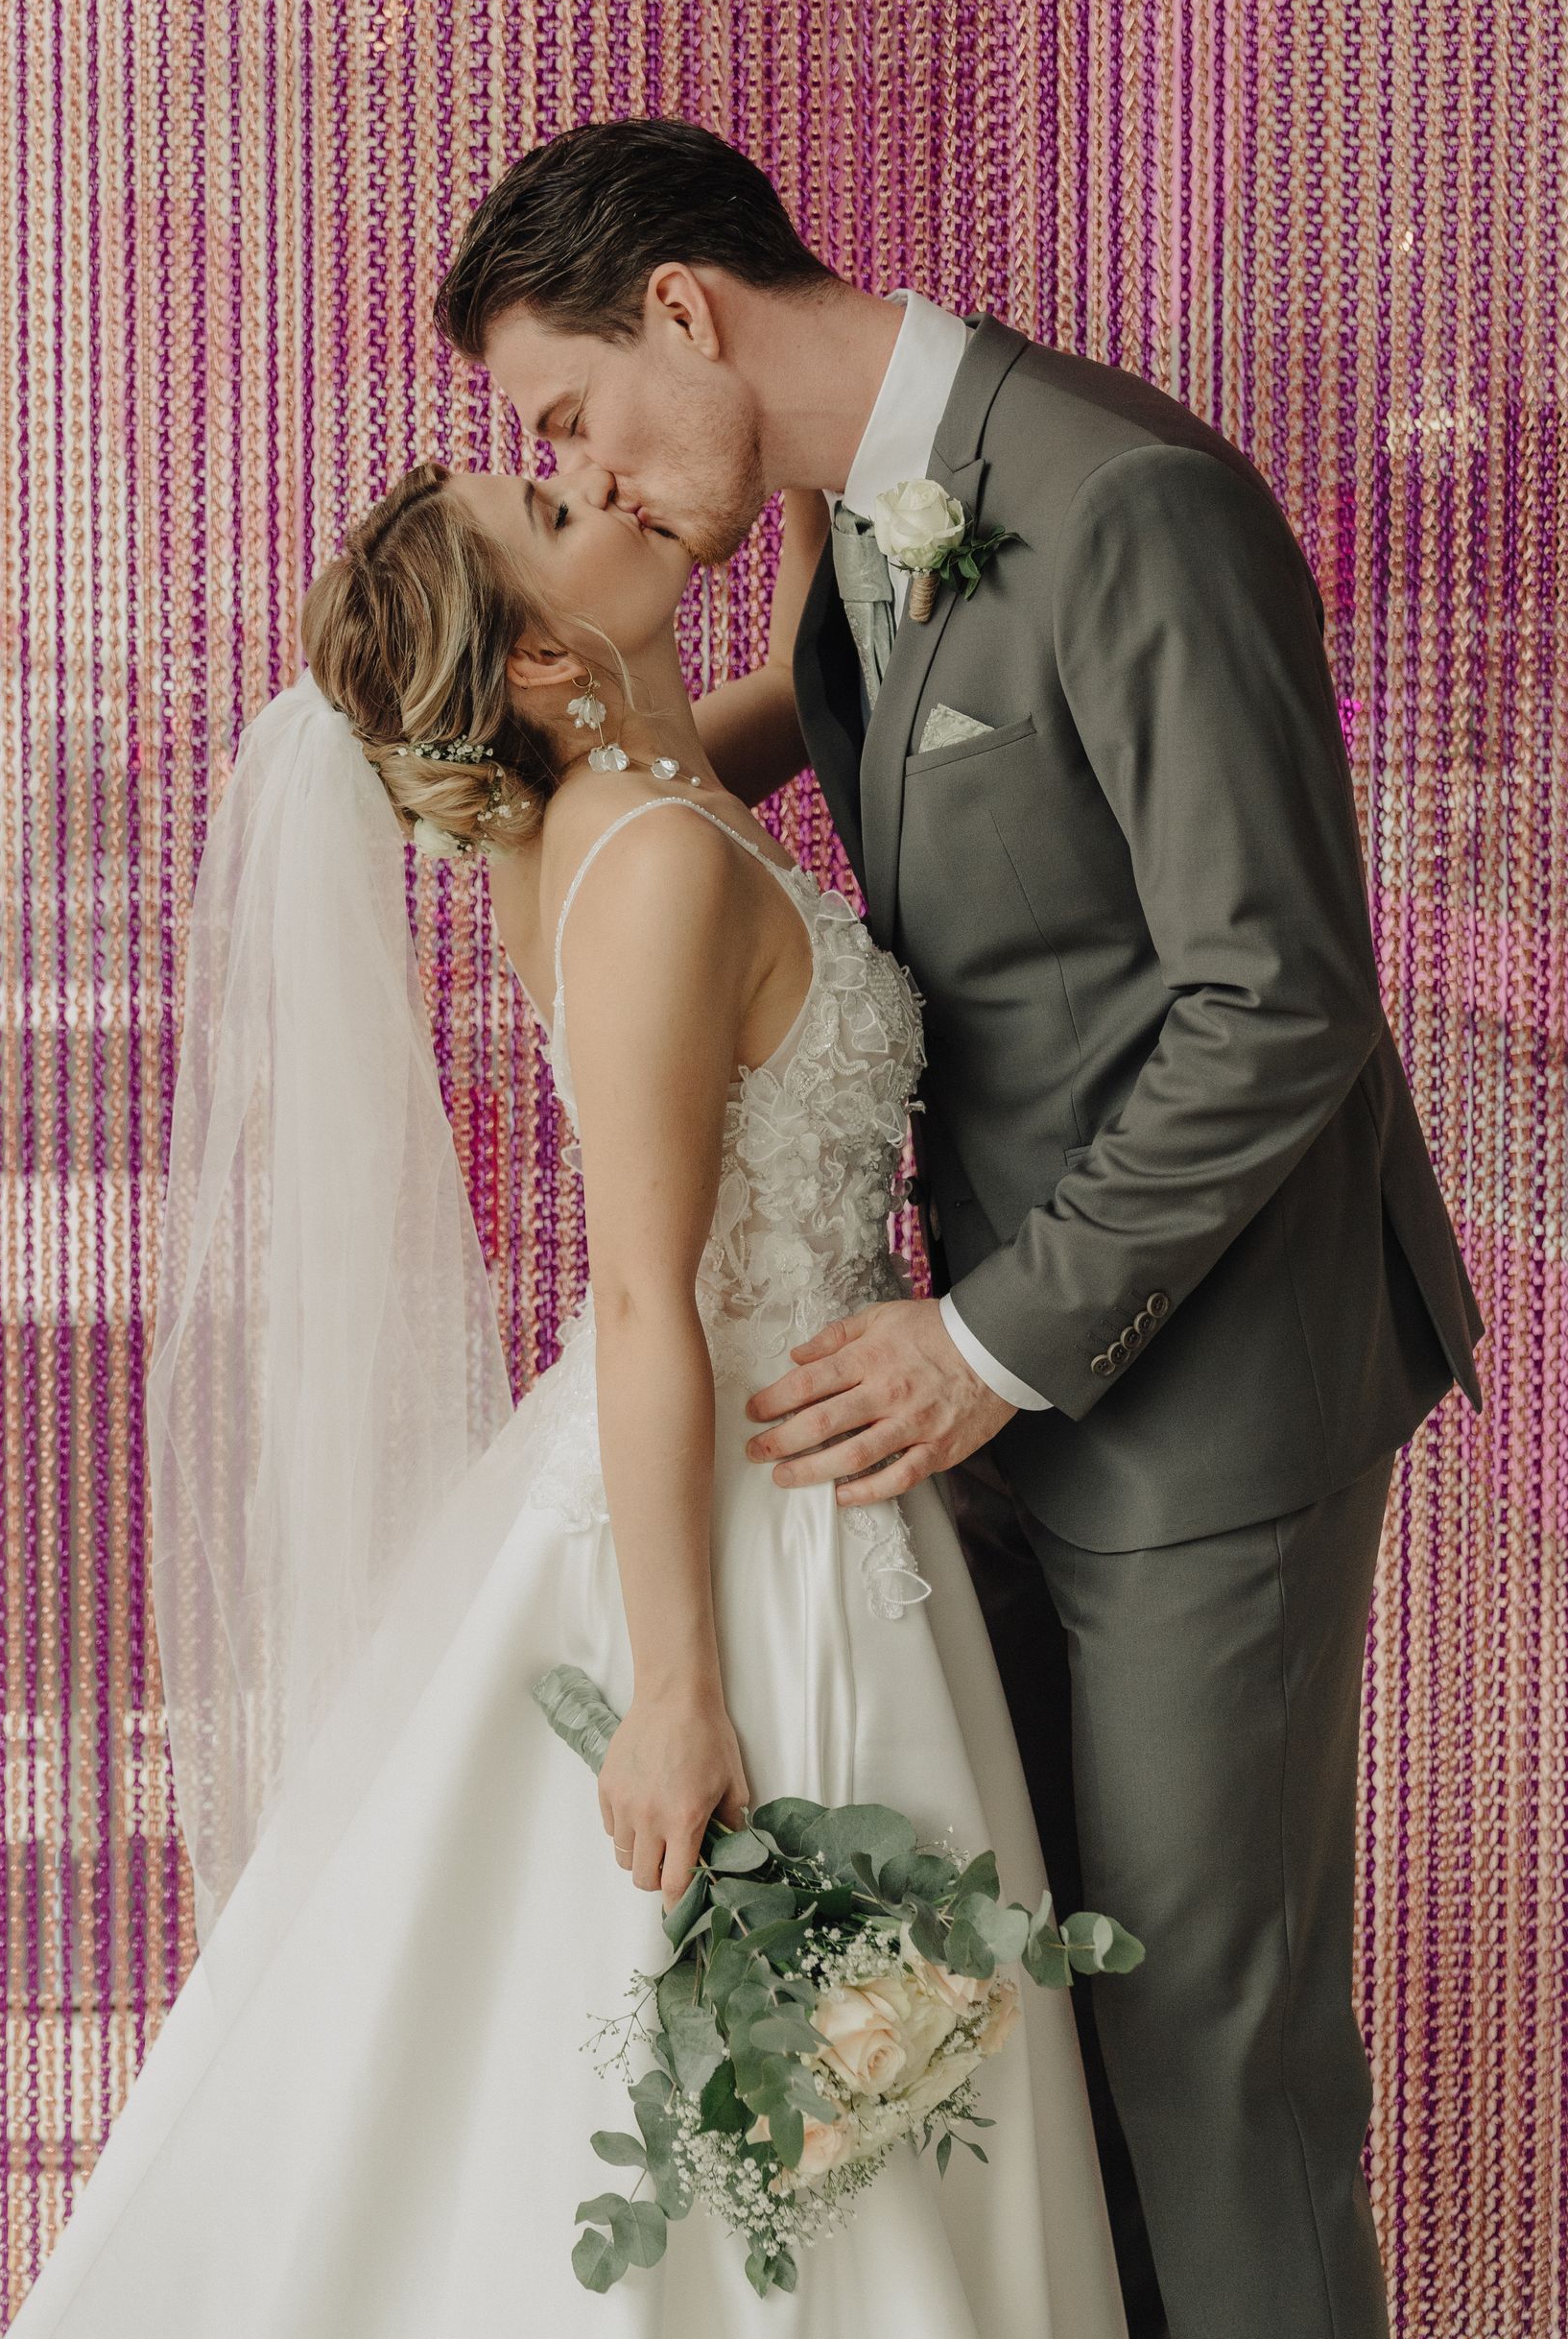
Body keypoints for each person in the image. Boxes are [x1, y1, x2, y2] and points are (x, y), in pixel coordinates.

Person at [431, 117, 1485, 2339]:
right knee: (1041, 2015)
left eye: (575, 415)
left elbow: (1282, 1003)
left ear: (687, 311)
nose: (586, 476)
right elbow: (794, 776)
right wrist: (480, 768)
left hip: (1203, 1389)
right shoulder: (858, 514)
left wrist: (985, 1342)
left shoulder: (1129, 504)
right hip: (976, 1399)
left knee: (1205, 2049)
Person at [4, 451, 1128, 2333]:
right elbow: (637, 1299)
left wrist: (784, 469)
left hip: (806, 1453)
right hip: (752, 1496)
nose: (601, 478)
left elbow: (792, 698)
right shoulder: (653, 861)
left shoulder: (635, 793)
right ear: (539, 662)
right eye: (553, 502)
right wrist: (678, 1689)